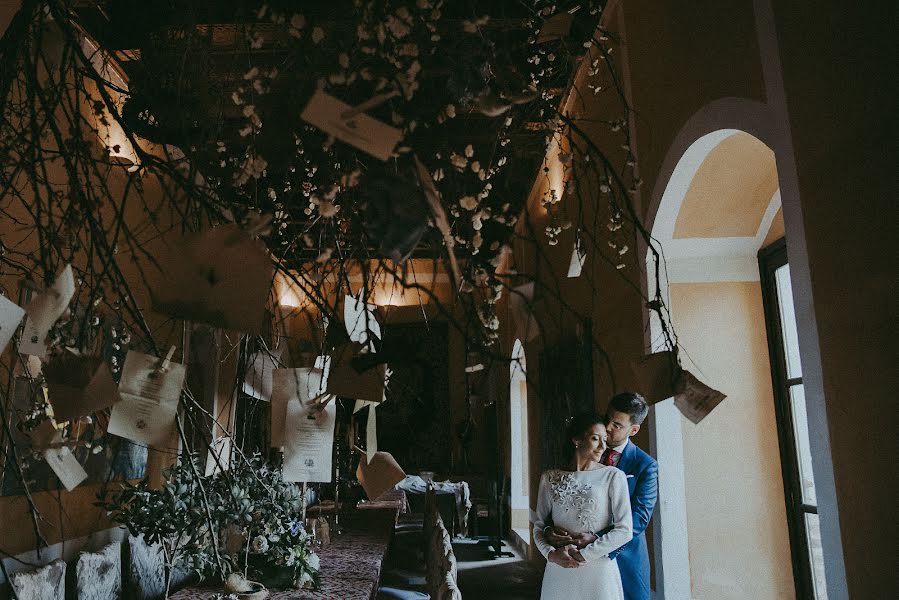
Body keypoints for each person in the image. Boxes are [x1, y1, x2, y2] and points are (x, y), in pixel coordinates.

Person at [545, 392, 659, 600]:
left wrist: (597, 538)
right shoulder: (583, 449)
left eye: (617, 425)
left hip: (624, 557)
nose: (607, 427)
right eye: (608, 419)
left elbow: (640, 517)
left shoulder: (645, 465)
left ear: (633, 430)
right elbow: (560, 498)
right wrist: (549, 530)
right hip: (573, 557)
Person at [533, 412, 633, 599]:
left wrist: (583, 555)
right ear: (577, 440)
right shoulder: (549, 478)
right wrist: (551, 555)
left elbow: (625, 530)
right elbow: (539, 526)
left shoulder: (613, 476)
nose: (603, 446)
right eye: (595, 439)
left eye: (605, 440)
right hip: (559, 569)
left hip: (597, 569)